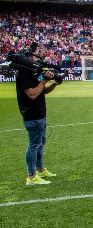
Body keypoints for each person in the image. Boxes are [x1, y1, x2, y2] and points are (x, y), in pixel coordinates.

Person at [15, 44, 60, 185]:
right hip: (32, 116)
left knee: (40, 144)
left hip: (40, 115)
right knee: (34, 145)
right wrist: (45, 80)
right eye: (33, 57)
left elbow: (43, 90)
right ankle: (31, 176)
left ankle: (40, 170)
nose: (35, 60)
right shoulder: (24, 75)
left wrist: (55, 83)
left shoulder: (32, 73)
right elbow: (32, 94)